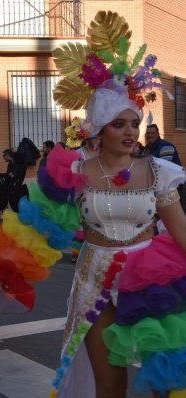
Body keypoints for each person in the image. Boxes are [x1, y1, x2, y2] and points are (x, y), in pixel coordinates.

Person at [48, 13, 186, 397]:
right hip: (94, 279)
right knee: (109, 384)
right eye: (118, 124)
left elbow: (181, 231)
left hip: (149, 282)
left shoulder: (159, 172)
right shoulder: (74, 170)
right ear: (99, 128)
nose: (129, 132)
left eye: (133, 123)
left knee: (164, 381)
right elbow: (47, 223)